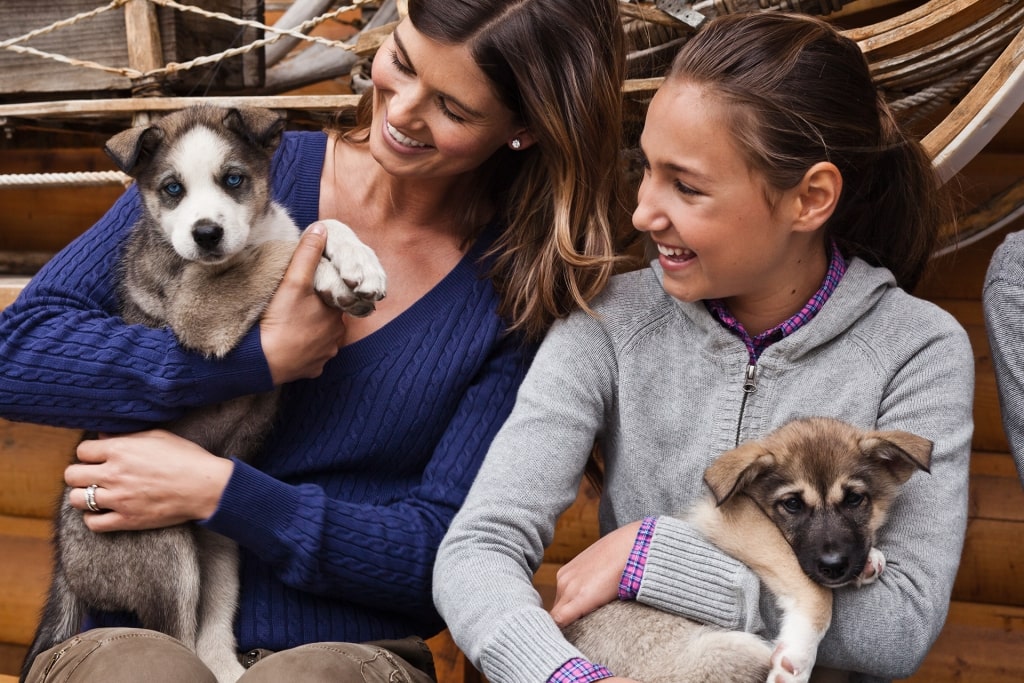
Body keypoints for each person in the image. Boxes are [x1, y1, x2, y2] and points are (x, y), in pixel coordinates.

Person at [0, 0, 632, 680]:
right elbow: (16, 352)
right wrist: (251, 360)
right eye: (403, 62)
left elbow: (444, 557)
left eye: (452, 107)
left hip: (346, 652)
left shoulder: (514, 294)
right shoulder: (234, 170)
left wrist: (221, 491)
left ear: (525, 129)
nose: (402, 109)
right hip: (139, 630)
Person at [434, 12, 974, 683]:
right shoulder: (609, 322)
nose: (643, 212)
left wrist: (656, 557)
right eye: (646, 169)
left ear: (810, 198)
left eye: (685, 186)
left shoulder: (917, 350)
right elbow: (477, 549)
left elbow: (897, 628)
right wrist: (565, 676)